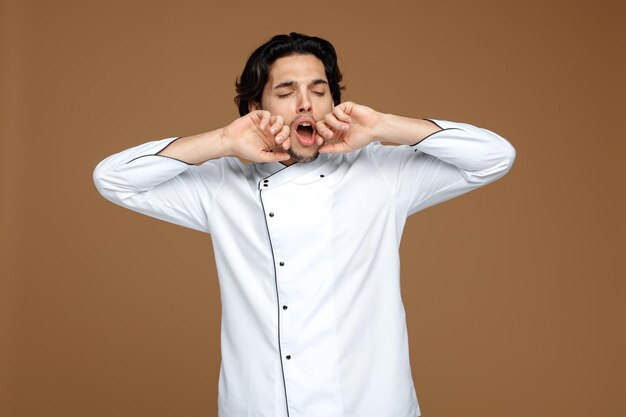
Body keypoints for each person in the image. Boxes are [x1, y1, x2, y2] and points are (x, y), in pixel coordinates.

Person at [93, 32, 516, 417]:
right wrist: (222, 141)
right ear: (256, 109)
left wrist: (385, 126)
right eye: (286, 91)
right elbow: (114, 179)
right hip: (258, 405)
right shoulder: (222, 184)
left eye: (319, 90)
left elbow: (494, 157)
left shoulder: (382, 174)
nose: (305, 103)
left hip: (370, 405)